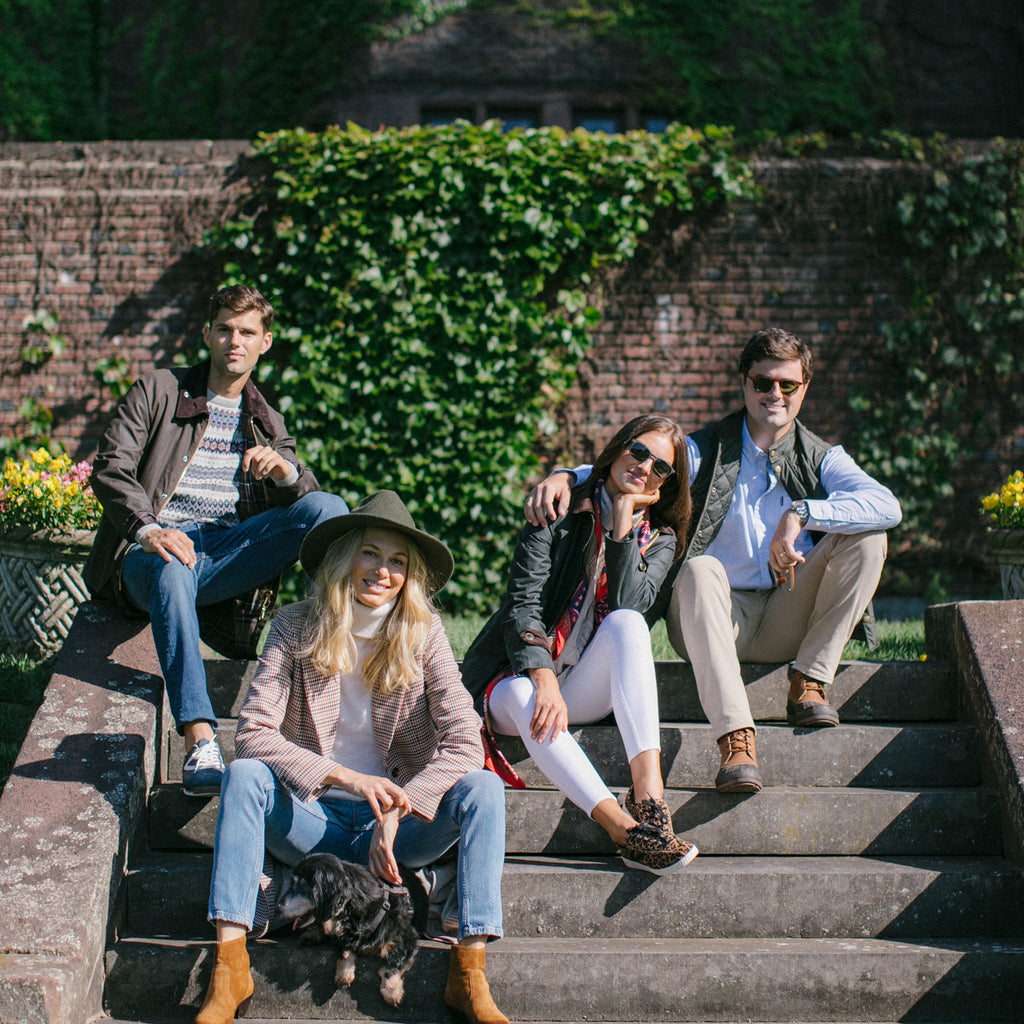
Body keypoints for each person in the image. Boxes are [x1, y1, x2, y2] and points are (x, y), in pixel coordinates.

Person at [525, 327, 902, 794]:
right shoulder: (707, 449)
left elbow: (887, 505)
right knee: (701, 568)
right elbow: (636, 462)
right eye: (763, 382)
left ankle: (809, 681)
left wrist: (801, 512)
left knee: (869, 539)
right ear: (744, 384)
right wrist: (566, 475)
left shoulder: (821, 456)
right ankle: (735, 741)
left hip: (789, 610)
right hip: (711, 617)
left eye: (788, 385)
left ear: (805, 388)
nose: (774, 395)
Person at [195, 490, 508, 1024]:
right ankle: (230, 967)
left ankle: (469, 972)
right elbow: (251, 733)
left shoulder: (424, 634)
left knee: (484, 787)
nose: (383, 571)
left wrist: (400, 807)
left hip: (394, 835)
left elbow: (465, 740)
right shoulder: (295, 625)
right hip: (312, 822)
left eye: (398, 561)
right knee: (245, 774)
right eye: (371, 553)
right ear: (345, 556)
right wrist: (345, 776)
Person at [85, 285, 348, 796]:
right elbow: (111, 468)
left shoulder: (265, 419)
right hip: (149, 554)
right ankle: (200, 736)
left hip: (223, 555)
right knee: (171, 563)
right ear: (207, 334)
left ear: (264, 342)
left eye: (247, 332)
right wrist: (148, 529)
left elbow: (309, 499)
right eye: (225, 328)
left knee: (329, 508)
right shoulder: (159, 390)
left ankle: (330, 649)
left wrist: (285, 473)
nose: (235, 340)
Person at [461, 414, 698, 875]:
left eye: (661, 467)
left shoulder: (662, 538)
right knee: (524, 695)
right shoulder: (558, 506)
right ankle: (622, 829)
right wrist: (543, 675)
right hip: (517, 678)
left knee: (628, 623)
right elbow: (521, 604)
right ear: (619, 448)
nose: (645, 467)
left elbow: (630, 605)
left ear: (668, 483)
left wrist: (624, 522)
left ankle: (649, 801)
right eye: (639, 451)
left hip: (584, 688)